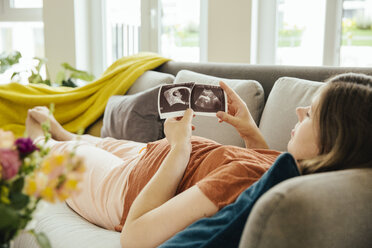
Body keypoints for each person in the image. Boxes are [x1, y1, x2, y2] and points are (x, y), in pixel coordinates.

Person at [25, 72, 372, 248]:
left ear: (334, 139)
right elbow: (258, 173)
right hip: (152, 157)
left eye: (311, 114)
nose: (299, 110)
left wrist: (179, 147)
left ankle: (39, 143)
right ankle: (74, 137)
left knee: (45, 151)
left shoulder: (249, 179)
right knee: (98, 143)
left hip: (129, 187)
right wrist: (251, 134)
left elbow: (135, 236)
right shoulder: (291, 171)